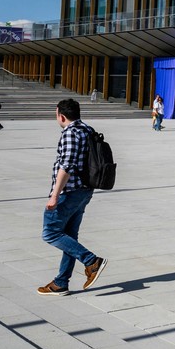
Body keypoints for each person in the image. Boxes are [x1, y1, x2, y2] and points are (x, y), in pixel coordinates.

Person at [37, 98, 107, 295]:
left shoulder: (71, 133)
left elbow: (66, 166)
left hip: (69, 192)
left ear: (61, 115)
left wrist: (54, 195)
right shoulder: (87, 129)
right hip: (85, 190)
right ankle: (61, 282)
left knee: (50, 233)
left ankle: (91, 261)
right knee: (69, 236)